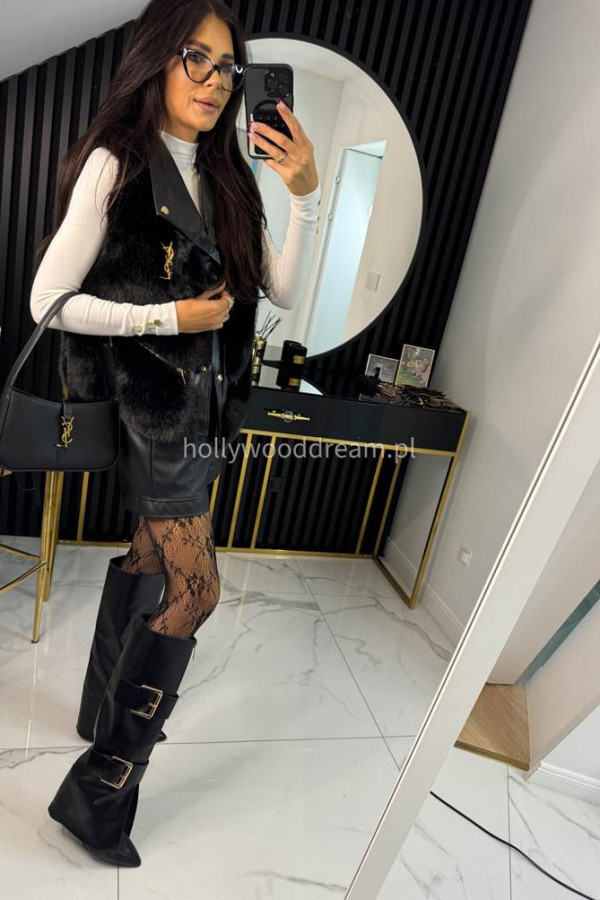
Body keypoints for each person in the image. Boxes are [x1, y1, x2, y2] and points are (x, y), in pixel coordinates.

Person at [35, 0, 320, 867]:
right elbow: (49, 300)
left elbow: (280, 289)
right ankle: (100, 790)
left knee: (147, 558)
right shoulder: (116, 166)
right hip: (155, 416)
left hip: (209, 415)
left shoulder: (230, 178)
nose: (214, 81)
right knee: (197, 592)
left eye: (227, 67)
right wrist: (165, 318)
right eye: (196, 58)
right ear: (157, 59)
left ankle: (99, 710)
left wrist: (304, 194)